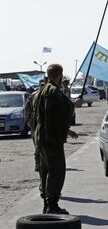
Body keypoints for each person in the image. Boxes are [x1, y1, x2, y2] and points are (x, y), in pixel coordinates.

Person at [32, 64, 78, 214]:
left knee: (45, 171)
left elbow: (44, 117)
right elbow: (55, 115)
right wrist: (73, 105)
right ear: (60, 75)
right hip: (51, 139)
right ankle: (52, 204)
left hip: (42, 137)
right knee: (57, 170)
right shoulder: (52, 92)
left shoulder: (42, 91)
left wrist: (66, 130)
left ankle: (47, 204)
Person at [25, 77, 47, 172]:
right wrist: (29, 121)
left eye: (44, 85)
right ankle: (38, 164)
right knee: (37, 144)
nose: (42, 87)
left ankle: (44, 163)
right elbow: (27, 109)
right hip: (35, 122)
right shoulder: (33, 95)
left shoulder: (48, 95)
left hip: (45, 122)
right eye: (41, 85)